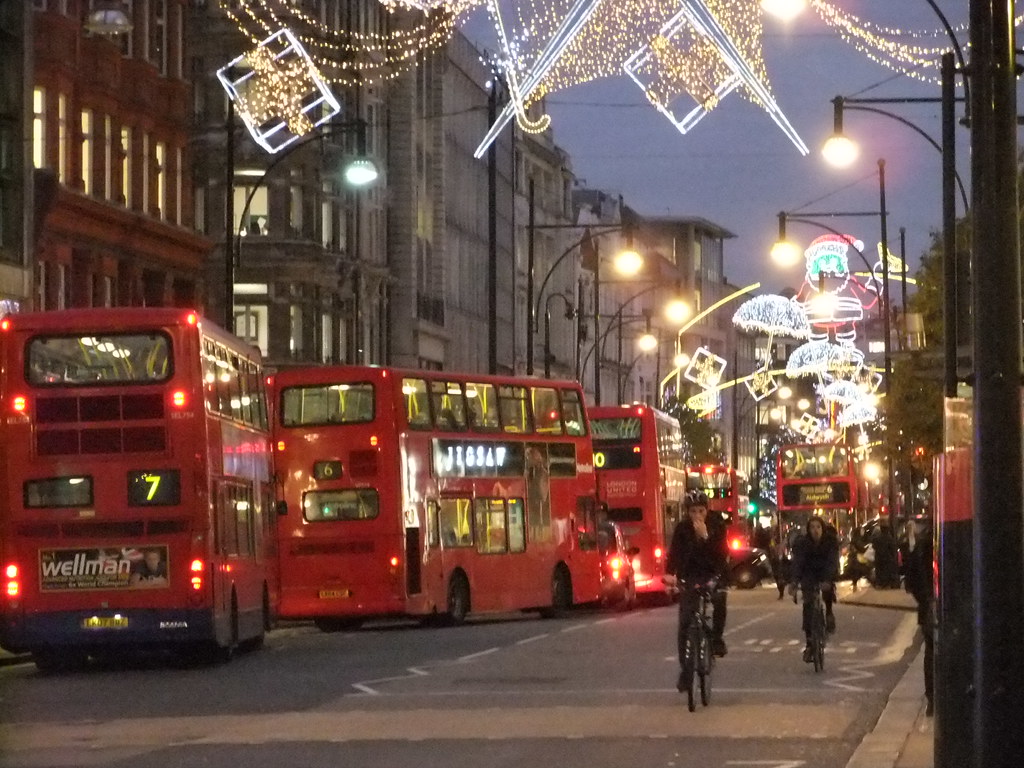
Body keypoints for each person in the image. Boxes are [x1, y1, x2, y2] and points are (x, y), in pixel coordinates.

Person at [666, 490, 729, 691]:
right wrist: (670, 574)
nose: (697, 515)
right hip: (690, 575)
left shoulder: (717, 525)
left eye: (700, 511)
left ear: (706, 510)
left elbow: (722, 554)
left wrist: (706, 537)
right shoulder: (682, 529)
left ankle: (717, 638)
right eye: (693, 511)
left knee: (719, 599)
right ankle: (685, 671)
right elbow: (674, 554)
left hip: (713, 572)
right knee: (685, 622)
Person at [789, 515, 840, 663]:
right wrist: (794, 582)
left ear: (822, 528)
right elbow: (798, 563)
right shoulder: (803, 543)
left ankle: (829, 612)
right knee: (808, 604)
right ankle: (810, 642)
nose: (815, 530)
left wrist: (828, 579)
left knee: (828, 590)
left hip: (825, 571)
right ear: (808, 530)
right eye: (812, 527)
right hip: (809, 574)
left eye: (818, 527)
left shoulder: (830, 542)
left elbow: (832, 562)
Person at [900, 519, 934, 716]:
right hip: (933, 603)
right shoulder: (923, 546)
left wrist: (925, 600)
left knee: (931, 651)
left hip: (928, 603)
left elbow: (913, 579)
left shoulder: (922, 545)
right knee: (932, 649)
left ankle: (932, 698)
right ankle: (932, 696)